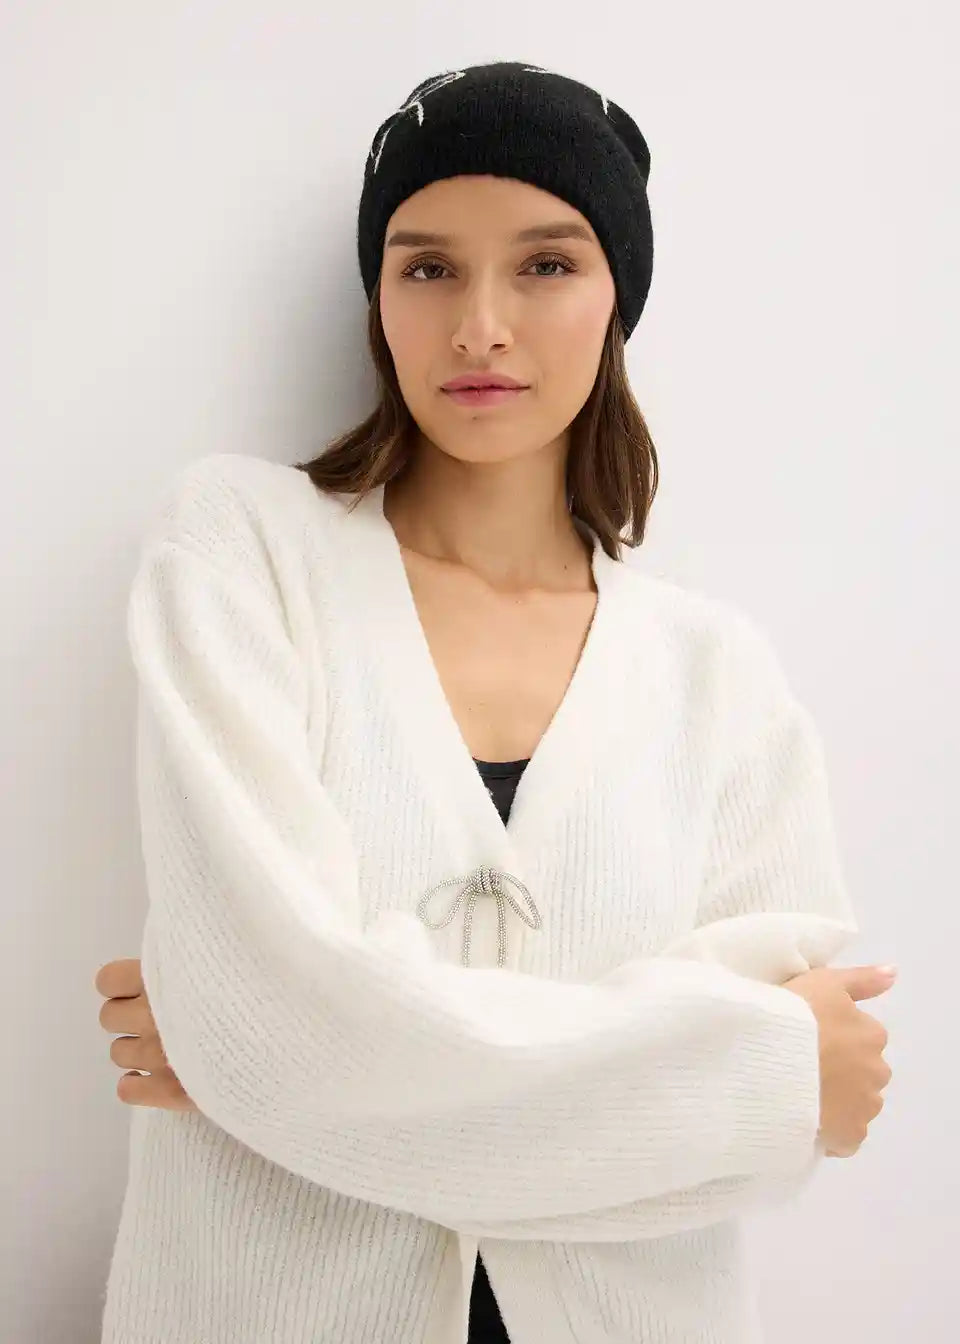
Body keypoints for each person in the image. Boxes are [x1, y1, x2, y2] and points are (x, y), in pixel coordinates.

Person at [94, 60, 894, 1344]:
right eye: (426, 267)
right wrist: (747, 1075)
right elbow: (780, 1090)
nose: (479, 325)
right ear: (378, 300)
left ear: (617, 294)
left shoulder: (720, 677)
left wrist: (297, 1068)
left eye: (546, 264)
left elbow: (801, 1121)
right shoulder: (243, 553)